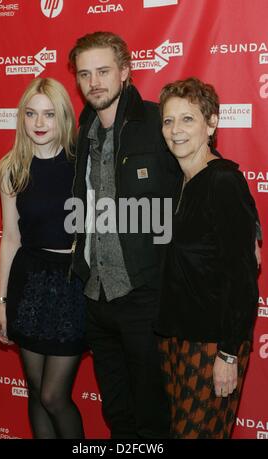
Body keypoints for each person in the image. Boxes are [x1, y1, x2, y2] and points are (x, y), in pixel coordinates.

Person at [68, 31, 181, 439]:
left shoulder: (156, 121)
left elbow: (202, 174)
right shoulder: (83, 131)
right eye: (84, 74)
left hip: (144, 294)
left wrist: (242, 229)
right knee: (117, 412)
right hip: (96, 297)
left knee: (153, 414)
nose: (94, 82)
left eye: (103, 71)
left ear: (125, 72)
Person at [155, 77, 259, 439]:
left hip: (213, 344)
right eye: (168, 120)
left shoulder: (223, 182)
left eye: (188, 119)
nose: (175, 130)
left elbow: (243, 277)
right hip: (174, 339)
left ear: (211, 123)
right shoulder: (177, 182)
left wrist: (228, 354)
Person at [0, 77, 87, 439]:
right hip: (28, 283)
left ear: (63, 116)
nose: (39, 122)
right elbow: (10, 238)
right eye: (31, 113)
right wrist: (1, 302)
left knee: (53, 395)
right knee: (35, 390)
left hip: (71, 284)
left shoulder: (82, 165)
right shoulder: (11, 169)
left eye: (49, 114)